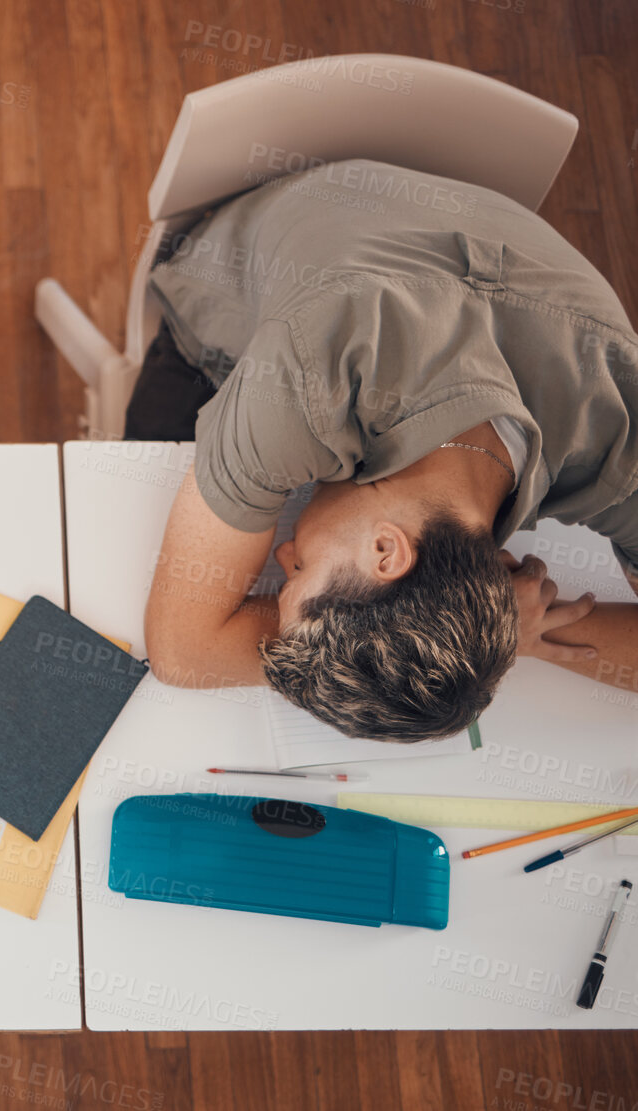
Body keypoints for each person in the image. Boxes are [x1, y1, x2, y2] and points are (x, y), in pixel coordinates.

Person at [134, 159, 638, 738]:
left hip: (428, 199)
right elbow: (182, 651)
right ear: (385, 550)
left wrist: (478, 641)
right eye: (300, 575)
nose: (283, 558)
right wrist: (492, 642)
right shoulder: (308, 380)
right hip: (241, 266)